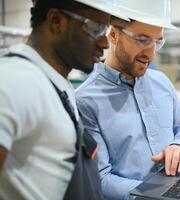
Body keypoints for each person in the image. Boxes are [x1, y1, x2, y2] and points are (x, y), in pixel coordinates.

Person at [0, 0, 128, 199]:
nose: (104, 43)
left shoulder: (56, 81)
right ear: (56, 21)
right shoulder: (14, 81)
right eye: (95, 27)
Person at [75, 0, 180, 199]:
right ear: (113, 34)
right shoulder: (85, 101)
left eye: (157, 41)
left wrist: (179, 145)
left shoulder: (161, 82)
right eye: (142, 40)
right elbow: (101, 179)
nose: (151, 53)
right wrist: (160, 194)